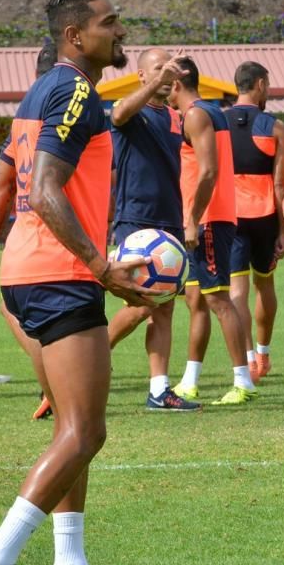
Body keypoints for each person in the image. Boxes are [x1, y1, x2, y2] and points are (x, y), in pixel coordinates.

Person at [0, 0, 160, 565]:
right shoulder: (69, 88)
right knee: (86, 430)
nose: (120, 32)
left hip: (29, 271)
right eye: (110, 23)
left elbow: (3, 182)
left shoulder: (49, 92)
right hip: (59, 273)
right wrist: (101, 267)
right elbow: (43, 192)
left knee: (74, 428)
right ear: (76, 35)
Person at [109, 47, 200, 412]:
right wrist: (155, 85)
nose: (167, 74)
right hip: (136, 220)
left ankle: (159, 391)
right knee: (139, 306)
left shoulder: (178, 118)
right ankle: (73, 369)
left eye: (170, 68)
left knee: (163, 308)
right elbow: (117, 114)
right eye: (158, 68)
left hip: (170, 222)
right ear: (142, 76)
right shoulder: (132, 111)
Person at [170, 57, 257, 405]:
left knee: (219, 299)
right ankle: (189, 381)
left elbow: (208, 173)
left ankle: (243, 381)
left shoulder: (196, 114)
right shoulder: (208, 111)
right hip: (207, 218)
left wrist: (192, 218)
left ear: (177, 83)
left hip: (208, 220)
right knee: (196, 301)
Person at [0, 42, 58, 420]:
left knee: (13, 309)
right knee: (83, 434)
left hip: (22, 247)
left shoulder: (23, 114)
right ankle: (56, 387)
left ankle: (55, 387)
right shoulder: (68, 105)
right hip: (55, 246)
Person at [225, 62, 284, 381]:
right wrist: (283, 229)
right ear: (260, 84)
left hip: (230, 218)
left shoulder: (217, 123)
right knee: (264, 284)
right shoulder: (274, 126)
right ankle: (263, 355)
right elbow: (280, 184)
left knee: (237, 292)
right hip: (264, 216)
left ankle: (248, 359)